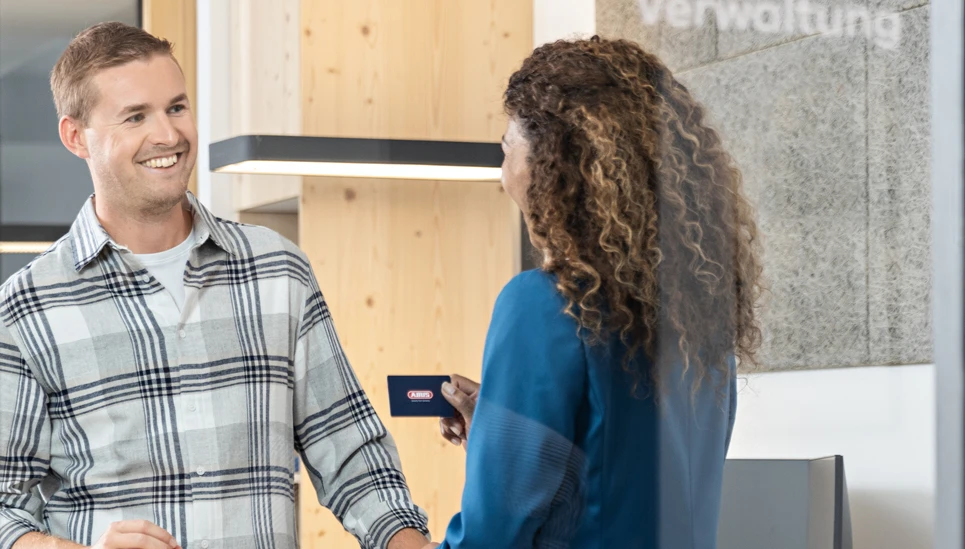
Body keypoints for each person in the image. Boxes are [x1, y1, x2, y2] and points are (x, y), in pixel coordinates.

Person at [0, 22, 431, 549]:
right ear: (75, 137)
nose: (168, 135)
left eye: (176, 108)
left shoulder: (277, 270)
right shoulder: (26, 308)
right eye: (136, 116)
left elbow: (355, 461)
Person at [433, 37, 764, 548]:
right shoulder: (700, 322)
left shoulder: (542, 305)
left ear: (549, 163)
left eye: (506, 148)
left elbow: (492, 536)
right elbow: (617, 485)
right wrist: (497, 435)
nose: (502, 173)